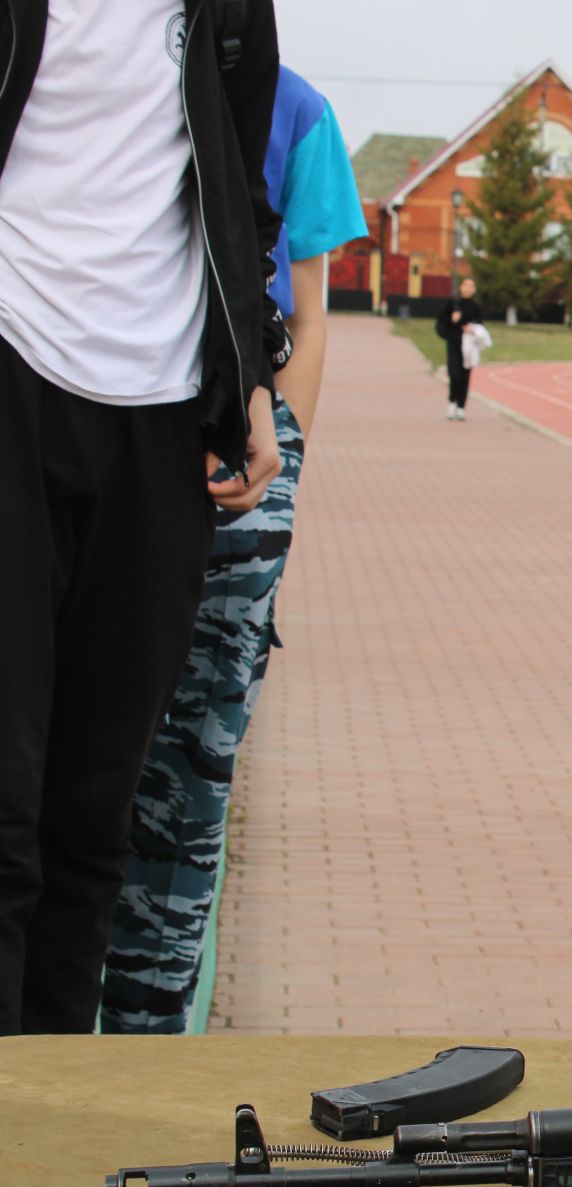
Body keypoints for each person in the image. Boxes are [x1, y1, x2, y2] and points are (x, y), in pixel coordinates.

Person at [0, 0, 286, 1036]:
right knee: (5, 812)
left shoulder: (226, 11)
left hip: (160, 418)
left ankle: (44, 1131)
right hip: (14, 364)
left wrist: (248, 378)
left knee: (93, 815)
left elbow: (241, 200)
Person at [100, 64, 367, 1034]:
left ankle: (151, 1023)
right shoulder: (113, 74)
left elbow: (308, 310)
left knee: (193, 766)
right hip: (111, 425)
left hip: (238, 457)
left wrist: (284, 454)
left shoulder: (296, 110)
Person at [437, 277, 481, 419]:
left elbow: (480, 325)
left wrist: (472, 329)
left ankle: (461, 407)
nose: (468, 288)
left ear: (474, 290)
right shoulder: (453, 304)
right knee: (454, 374)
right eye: (466, 285)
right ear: (461, 287)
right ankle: (452, 402)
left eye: (471, 286)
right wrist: (452, 320)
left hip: (469, 347)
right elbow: (440, 322)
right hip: (454, 343)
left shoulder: (475, 306)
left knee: (465, 376)